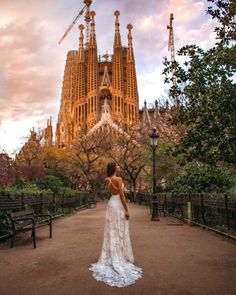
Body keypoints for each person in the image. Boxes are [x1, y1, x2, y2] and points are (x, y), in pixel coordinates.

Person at [89, 161, 143, 287]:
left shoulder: (107, 180)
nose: (119, 166)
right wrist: (127, 210)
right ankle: (119, 255)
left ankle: (112, 253)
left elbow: (114, 193)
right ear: (114, 168)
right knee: (119, 229)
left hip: (111, 203)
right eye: (118, 165)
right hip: (118, 204)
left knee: (112, 230)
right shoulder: (118, 179)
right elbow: (122, 195)